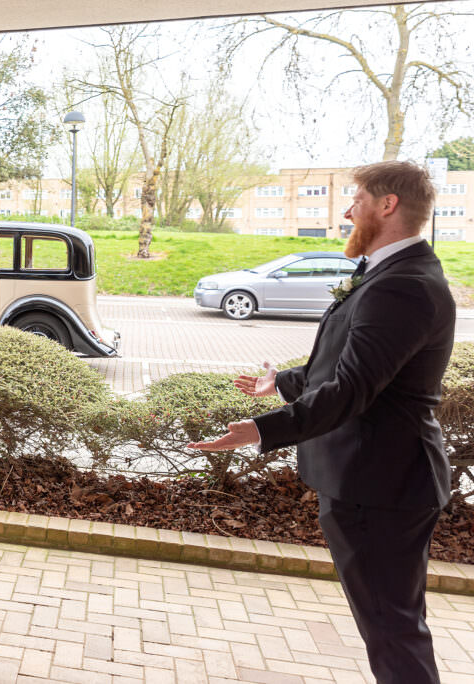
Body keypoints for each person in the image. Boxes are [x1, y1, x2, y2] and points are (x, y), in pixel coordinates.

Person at [189, 160, 455, 684]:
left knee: (393, 630)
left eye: (355, 198)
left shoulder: (402, 286)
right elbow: (349, 364)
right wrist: (284, 383)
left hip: (381, 488)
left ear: (388, 205)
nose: (346, 209)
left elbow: (354, 389)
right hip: (376, 482)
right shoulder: (389, 273)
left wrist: (262, 429)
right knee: (390, 624)